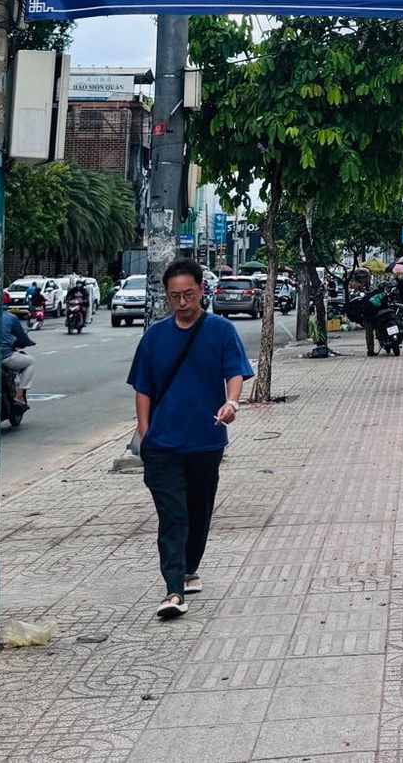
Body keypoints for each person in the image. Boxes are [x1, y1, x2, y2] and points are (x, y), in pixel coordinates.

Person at [127, 259, 253, 621]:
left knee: (199, 510)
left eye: (188, 294)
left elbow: (234, 373)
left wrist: (231, 403)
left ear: (201, 290)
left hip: (205, 441)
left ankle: (189, 567)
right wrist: (144, 430)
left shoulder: (220, 331)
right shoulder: (154, 337)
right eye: (174, 297)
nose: (182, 302)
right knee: (173, 515)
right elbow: (143, 387)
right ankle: (173, 589)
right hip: (163, 445)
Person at [0, 305, 35, 403]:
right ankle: (19, 395)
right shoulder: (11, 317)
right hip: (5, 358)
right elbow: (23, 338)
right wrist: (28, 342)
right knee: (31, 361)